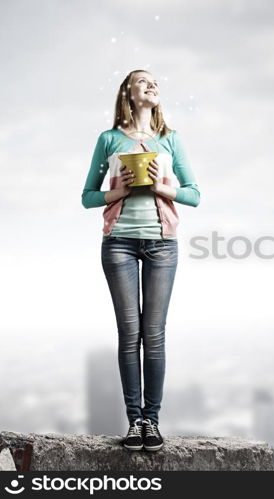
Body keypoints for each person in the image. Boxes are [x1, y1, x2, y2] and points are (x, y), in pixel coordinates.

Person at [81, 69, 201, 452]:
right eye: (142, 80)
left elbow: (195, 194)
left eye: (155, 82)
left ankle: (152, 420)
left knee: (155, 335)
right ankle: (135, 422)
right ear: (127, 94)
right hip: (119, 244)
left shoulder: (171, 140)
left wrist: (161, 186)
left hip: (162, 245)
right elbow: (87, 196)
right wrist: (119, 191)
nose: (152, 84)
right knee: (129, 334)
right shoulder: (109, 139)